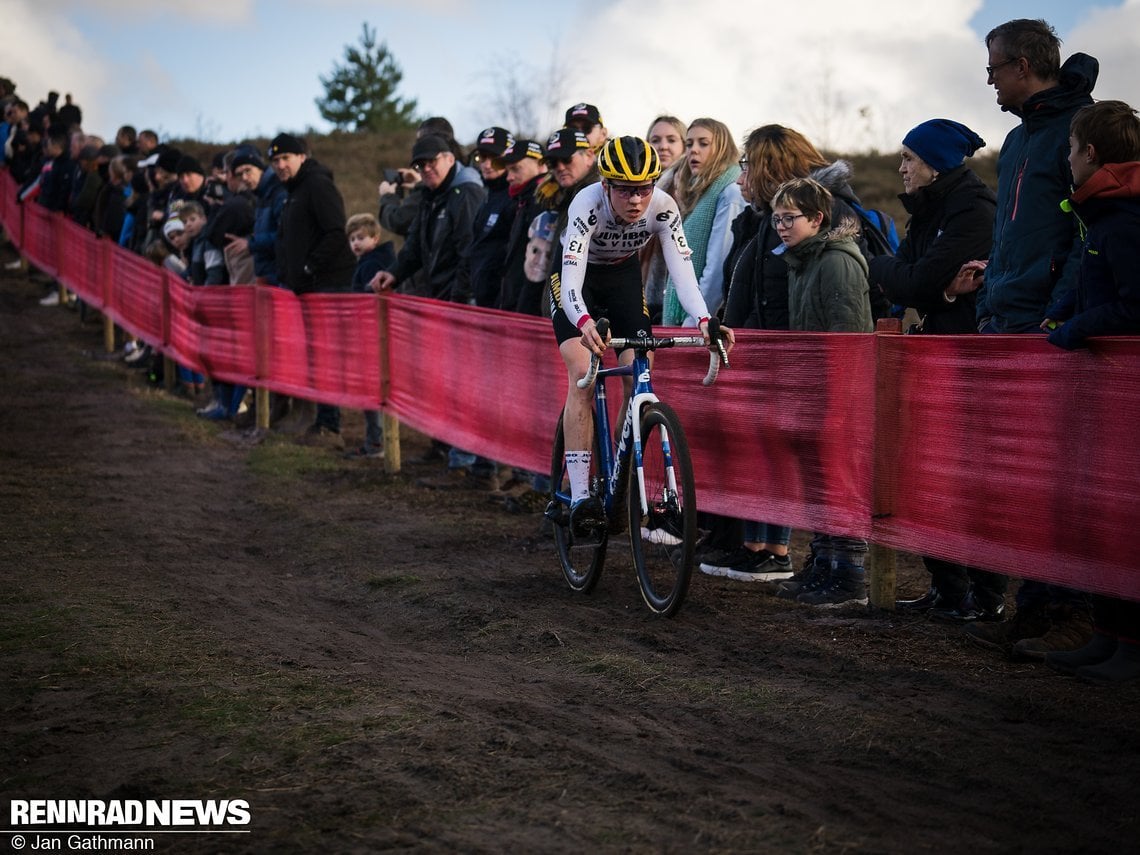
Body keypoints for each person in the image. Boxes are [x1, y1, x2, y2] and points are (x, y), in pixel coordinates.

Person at [947, 18, 1099, 659]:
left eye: (994, 68)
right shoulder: (1014, 142)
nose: (989, 80)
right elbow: (1012, 235)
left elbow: (1091, 231)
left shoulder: (1082, 131)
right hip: (1004, 320)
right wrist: (989, 293)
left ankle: (1071, 612)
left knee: (1062, 477)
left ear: (1026, 64)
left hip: (1053, 329)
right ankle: (1032, 607)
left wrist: (1058, 305)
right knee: (1020, 477)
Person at [550, 136, 734, 533]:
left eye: (644, 189)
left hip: (621, 279)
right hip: (576, 282)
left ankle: (620, 468)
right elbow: (571, 283)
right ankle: (580, 494)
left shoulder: (664, 207)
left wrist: (704, 319)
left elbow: (682, 272)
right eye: (625, 190)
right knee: (584, 373)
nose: (636, 200)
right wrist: (583, 323)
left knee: (642, 370)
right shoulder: (586, 204)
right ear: (606, 186)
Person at [863, 119, 1006, 619]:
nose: (900, 167)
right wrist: (926, 286)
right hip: (938, 351)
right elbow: (910, 280)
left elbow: (914, 279)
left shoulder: (973, 210)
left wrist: (905, 280)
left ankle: (986, 600)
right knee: (926, 473)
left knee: (971, 479)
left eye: (908, 158)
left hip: (972, 360)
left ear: (934, 164)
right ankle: (948, 590)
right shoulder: (928, 211)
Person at [1041, 100, 1140, 684]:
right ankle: (1107, 633)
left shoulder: (1125, 219)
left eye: (1072, 148)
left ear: (1092, 154)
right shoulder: (1101, 214)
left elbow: (1135, 304)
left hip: (1124, 395)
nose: (1068, 157)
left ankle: (1131, 643)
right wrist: (1062, 314)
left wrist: (1075, 329)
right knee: (1099, 512)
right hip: (1103, 390)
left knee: (1123, 514)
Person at [768, 177, 873, 607]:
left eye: (789, 218)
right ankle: (824, 563)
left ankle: (848, 576)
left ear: (816, 218)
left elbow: (848, 337)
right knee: (817, 480)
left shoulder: (836, 263)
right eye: (776, 218)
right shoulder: (803, 260)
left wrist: (837, 404)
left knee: (839, 481)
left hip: (838, 395)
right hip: (813, 390)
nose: (780, 227)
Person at [268, 132, 357, 448]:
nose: (280, 165)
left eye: (285, 158)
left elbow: (336, 231)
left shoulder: (317, 185)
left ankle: (330, 426)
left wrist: (309, 268)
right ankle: (322, 420)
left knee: (327, 354)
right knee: (316, 354)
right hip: (307, 287)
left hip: (328, 285)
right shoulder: (292, 192)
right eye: (275, 160)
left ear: (301, 157)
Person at [370, 134, 486, 302]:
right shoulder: (429, 196)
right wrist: (393, 273)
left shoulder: (467, 194)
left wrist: (457, 300)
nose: (426, 169)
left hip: (460, 303)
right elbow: (415, 245)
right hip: (439, 298)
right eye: (420, 165)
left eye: (432, 161)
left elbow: (469, 253)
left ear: (450, 159)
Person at [662, 118, 744, 326]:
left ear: (723, 148)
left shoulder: (730, 192)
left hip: (704, 321)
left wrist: (695, 320)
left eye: (703, 143)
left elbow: (717, 267)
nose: (693, 151)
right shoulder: (699, 192)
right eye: (689, 144)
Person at [344, 212, 396, 461]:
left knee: (372, 390)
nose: (355, 243)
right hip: (370, 336)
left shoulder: (372, 266)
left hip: (373, 337)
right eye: (352, 238)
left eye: (361, 238)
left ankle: (376, 441)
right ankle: (376, 439)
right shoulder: (369, 262)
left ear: (375, 238)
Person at [465, 126, 515, 308]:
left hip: (503, 307)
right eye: (482, 158)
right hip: (482, 302)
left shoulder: (515, 198)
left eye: (494, 158)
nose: (486, 164)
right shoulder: (488, 196)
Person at [498, 139, 549, 315]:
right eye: (508, 170)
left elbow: (538, 266)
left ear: (541, 165)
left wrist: (522, 309)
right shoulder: (524, 200)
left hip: (527, 310)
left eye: (516, 169)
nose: (509, 177)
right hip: (513, 302)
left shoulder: (541, 203)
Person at [226, 147, 285, 285]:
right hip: (267, 274)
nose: (244, 178)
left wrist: (251, 243)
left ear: (260, 168)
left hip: (278, 276)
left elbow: (285, 235)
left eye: (248, 171)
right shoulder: (260, 194)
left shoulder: (277, 191)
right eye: (240, 174)